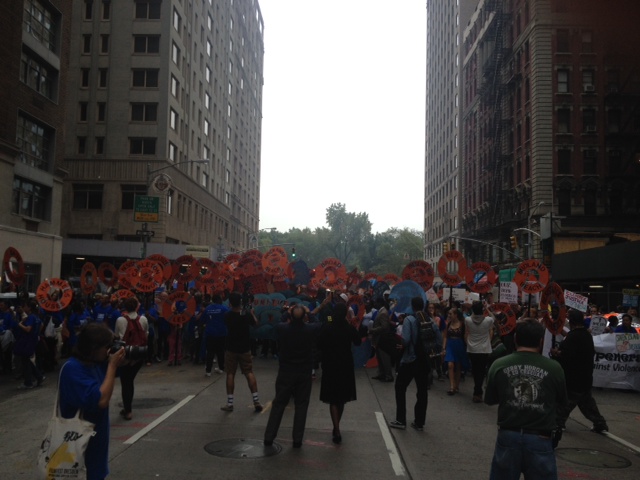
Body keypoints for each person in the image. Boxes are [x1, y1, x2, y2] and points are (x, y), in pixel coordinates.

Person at [485, 318, 568, 480]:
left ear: (515, 339)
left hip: (508, 435)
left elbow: (489, 399)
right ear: (541, 341)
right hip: (541, 438)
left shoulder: (499, 365)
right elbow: (562, 402)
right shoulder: (554, 368)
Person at [59, 322, 126, 480]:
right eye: (107, 346)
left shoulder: (95, 363)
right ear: (93, 348)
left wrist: (123, 362)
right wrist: (112, 366)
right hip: (77, 446)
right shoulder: (72, 369)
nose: (109, 350)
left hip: (95, 446)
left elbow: (111, 378)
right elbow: (101, 400)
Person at [264, 304, 321, 448]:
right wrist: (310, 313)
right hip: (304, 372)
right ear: (304, 317)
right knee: (301, 405)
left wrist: (287, 312)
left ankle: (269, 436)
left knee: (279, 404)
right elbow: (320, 323)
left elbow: (277, 323)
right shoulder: (310, 329)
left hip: (286, 371)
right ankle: (297, 439)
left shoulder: (283, 329)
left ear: (290, 317)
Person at [550, 309, 609, 433]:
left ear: (571, 322)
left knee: (565, 404)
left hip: (573, 378)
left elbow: (567, 356)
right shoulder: (586, 335)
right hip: (585, 376)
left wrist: (556, 354)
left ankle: (557, 423)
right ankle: (600, 423)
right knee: (587, 403)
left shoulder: (572, 337)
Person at [317, 302, 362, 444]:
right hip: (345, 365)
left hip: (330, 365)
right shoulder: (348, 328)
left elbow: (319, 343)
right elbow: (358, 341)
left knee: (332, 398)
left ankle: (336, 428)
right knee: (341, 398)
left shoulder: (327, 327)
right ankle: (336, 427)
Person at [389, 297, 429, 431]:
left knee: (400, 387)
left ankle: (401, 419)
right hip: (424, 360)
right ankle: (419, 422)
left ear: (412, 306)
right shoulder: (428, 320)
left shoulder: (409, 320)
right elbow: (438, 339)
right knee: (422, 391)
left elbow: (405, 340)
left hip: (410, 359)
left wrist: (401, 344)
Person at [221, 291, 263, 412]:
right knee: (249, 372)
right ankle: (256, 401)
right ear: (240, 302)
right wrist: (252, 313)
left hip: (231, 348)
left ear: (230, 303)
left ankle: (230, 403)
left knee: (230, 374)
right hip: (245, 348)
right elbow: (255, 324)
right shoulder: (245, 314)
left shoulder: (227, 315)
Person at [114, 297, 149, 420]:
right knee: (130, 381)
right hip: (138, 354)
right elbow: (146, 335)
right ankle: (127, 408)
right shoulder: (143, 319)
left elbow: (117, 336)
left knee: (126, 382)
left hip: (126, 354)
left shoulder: (120, 320)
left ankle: (128, 410)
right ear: (136, 307)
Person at [465, 301, 495, 403]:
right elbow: (493, 317)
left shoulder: (468, 320)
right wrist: (486, 309)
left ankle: (477, 390)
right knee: (481, 371)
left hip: (472, 348)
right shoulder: (488, 320)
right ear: (482, 310)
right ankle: (478, 391)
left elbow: (466, 332)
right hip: (484, 349)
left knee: (475, 370)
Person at [13, 300, 45, 389]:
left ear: (29, 308)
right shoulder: (36, 317)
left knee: (25, 360)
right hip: (33, 340)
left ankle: (28, 382)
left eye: (25, 306)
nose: (23, 308)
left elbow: (28, 329)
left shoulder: (30, 317)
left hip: (27, 341)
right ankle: (38, 376)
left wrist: (20, 324)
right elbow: (41, 325)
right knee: (26, 359)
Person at [442, 307, 469, 395]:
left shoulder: (462, 324)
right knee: (450, 365)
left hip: (459, 345)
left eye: (450, 314)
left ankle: (456, 385)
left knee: (458, 366)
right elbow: (445, 336)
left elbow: (465, 337)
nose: (449, 315)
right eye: (448, 313)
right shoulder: (448, 324)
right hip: (450, 345)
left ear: (456, 315)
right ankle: (451, 386)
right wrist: (444, 348)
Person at [203, 294, 228, 376]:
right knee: (221, 351)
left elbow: (203, 320)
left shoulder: (207, 309)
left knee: (210, 352)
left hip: (210, 333)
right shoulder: (224, 308)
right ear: (219, 300)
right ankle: (221, 368)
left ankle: (208, 371)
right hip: (221, 333)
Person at [370, 297, 394, 382]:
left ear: (379, 303)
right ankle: (382, 373)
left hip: (382, 339)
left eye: (376, 302)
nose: (374, 304)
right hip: (379, 338)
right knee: (380, 357)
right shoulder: (380, 311)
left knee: (384, 358)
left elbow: (384, 327)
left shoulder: (383, 313)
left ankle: (388, 375)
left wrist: (373, 330)